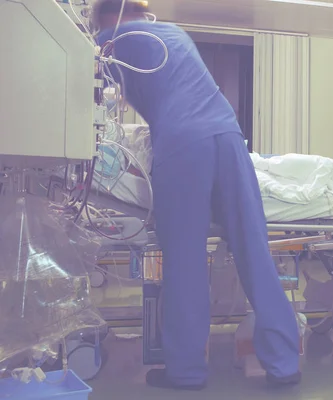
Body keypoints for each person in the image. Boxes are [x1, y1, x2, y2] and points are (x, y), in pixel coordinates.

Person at [91, 0, 301, 390]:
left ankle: (186, 371)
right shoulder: (174, 34)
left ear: (109, 15)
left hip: (184, 145)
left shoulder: (111, 38)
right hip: (228, 136)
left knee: (185, 259)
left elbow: (82, 61)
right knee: (253, 249)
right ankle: (285, 364)